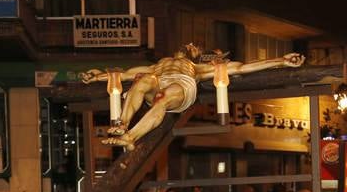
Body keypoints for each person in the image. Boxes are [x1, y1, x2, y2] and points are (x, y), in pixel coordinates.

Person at [80, 44, 303, 150]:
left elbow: (242, 68)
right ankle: (123, 124)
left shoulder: (197, 67)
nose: (188, 46)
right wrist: (96, 76)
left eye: (192, 46)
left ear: (196, 54)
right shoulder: (156, 65)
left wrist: (281, 60)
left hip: (181, 87)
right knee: (143, 81)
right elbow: (124, 74)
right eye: (187, 44)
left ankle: (131, 137)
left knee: (164, 97)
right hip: (158, 80)